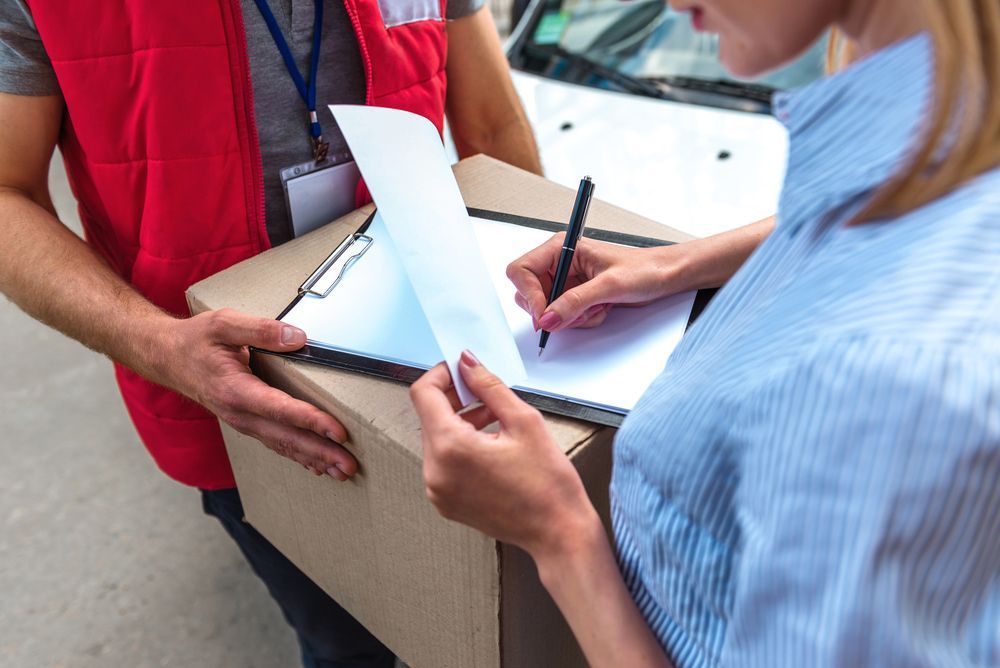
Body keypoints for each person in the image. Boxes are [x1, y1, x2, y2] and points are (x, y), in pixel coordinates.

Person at [411, 0, 1000, 665]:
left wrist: (556, 532)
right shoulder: (944, 135)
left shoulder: (885, 380)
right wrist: (669, 264)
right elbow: (878, 207)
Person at [0, 1, 541, 665]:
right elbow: (7, 192)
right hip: (227, 400)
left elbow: (492, 121)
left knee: (486, 627)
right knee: (347, 645)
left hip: (437, 374)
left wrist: (536, 318)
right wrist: (161, 346)